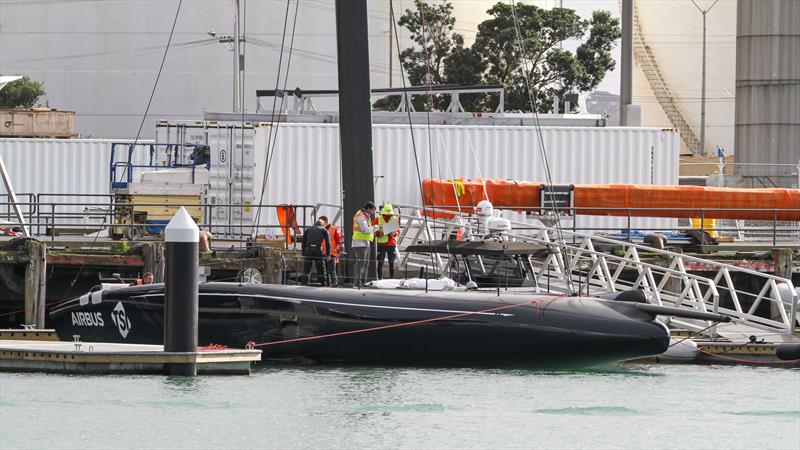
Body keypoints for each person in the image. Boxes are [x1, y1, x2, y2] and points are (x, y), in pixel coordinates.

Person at [351, 201, 378, 288]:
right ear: (369, 209)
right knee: (360, 264)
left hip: (365, 243)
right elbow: (365, 230)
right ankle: (356, 283)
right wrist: (375, 228)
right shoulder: (360, 216)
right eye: (373, 210)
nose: (373, 212)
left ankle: (363, 282)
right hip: (359, 243)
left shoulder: (366, 216)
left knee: (365, 264)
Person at [301, 219, 331, 286]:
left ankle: (304, 283)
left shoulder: (308, 229)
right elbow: (328, 243)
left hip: (308, 250)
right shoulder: (324, 230)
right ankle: (323, 284)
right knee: (321, 268)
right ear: (323, 225)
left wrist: (303, 253)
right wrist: (328, 254)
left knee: (306, 268)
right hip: (318, 250)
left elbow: (303, 242)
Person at [374, 203, 400, 279]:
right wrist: (379, 234)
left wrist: (394, 234)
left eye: (390, 214)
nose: (389, 216)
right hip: (381, 244)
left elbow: (398, 231)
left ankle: (391, 279)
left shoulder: (394, 218)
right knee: (380, 263)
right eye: (387, 214)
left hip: (391, 244)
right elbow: (374, 231)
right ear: (384, 213)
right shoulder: (377, 219)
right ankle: (380, 279)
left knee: (392, 263)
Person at [319, 216, 343, 287]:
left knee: (332, 271)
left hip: (332, 254)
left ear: (325, 221)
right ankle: (328, 284)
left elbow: (339, 242)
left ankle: (334, 284)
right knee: (325, 271)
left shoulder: (334, 229)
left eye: (321, 222)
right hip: (324, 253)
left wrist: (338, 253)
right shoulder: (322, 230)